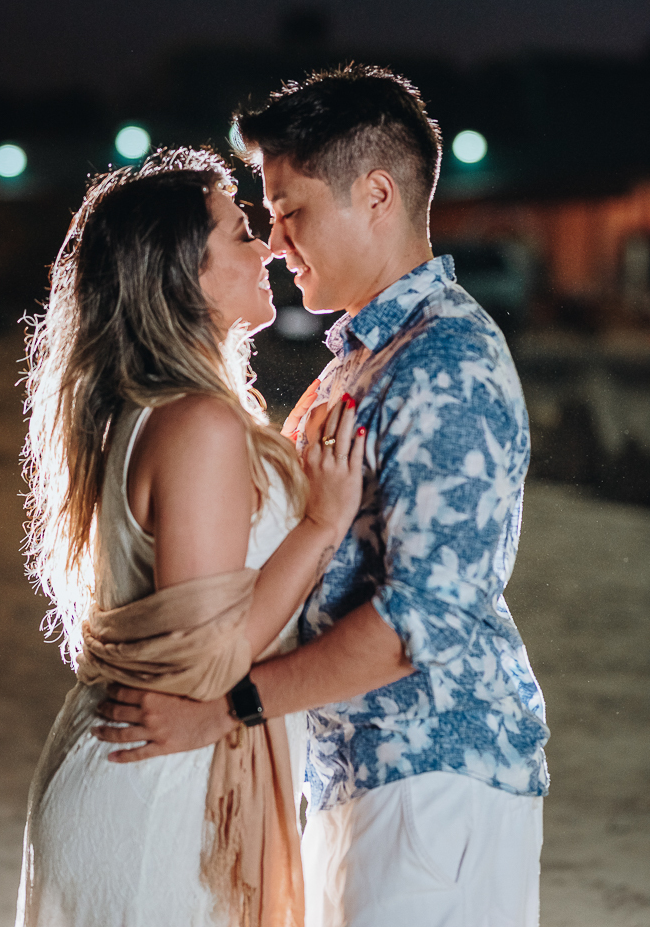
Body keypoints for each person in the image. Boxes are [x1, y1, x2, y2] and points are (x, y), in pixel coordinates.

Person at [96, 67, 550, 927]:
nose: (274, 241)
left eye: (289, 210)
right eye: (264, 220)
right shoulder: (364, 359)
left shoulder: (444, 359)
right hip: (360, 774)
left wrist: (224, 710)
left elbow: (427, 617)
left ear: (375, 194)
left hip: (432, 780)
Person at [15, 146, 365, 927]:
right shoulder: (196, 422)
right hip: (159, 792)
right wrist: (321, 522)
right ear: (185, 274)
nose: (269, 245)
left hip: (153, 766)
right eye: (241, 232)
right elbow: (210, 658)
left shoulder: (164, 409)